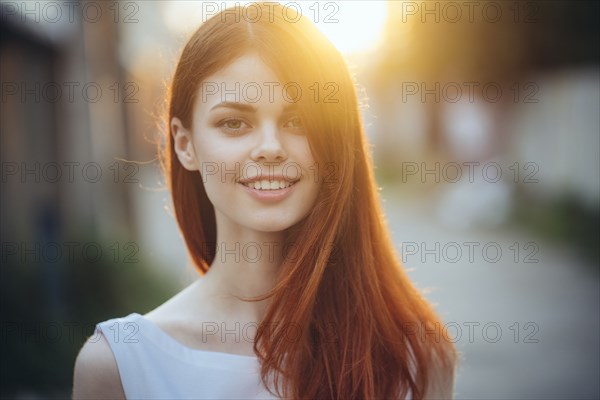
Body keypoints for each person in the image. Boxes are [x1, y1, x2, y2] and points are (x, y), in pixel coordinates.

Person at [72, 3, 456, 399]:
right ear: (185, 144)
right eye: (234, 123)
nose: (270, 148)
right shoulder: (119, 365)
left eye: (297, 121)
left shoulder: (413, 355)